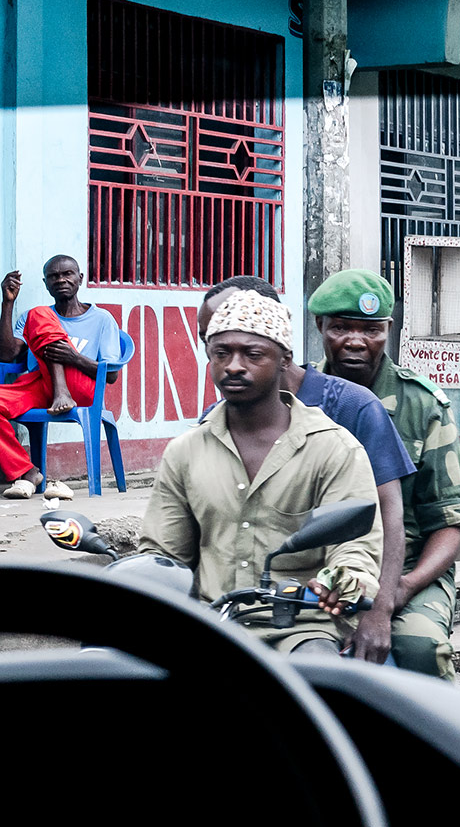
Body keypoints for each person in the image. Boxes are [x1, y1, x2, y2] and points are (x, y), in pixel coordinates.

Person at [131, 286, 382, 656]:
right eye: (221, 353)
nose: (234, 365)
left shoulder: (333, 448)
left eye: (252, 354)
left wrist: (342, 581)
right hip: (212, 625)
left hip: (301, 628)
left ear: (284, 360)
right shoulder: (185, 451)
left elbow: (355, 548)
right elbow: (163, 556)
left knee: (322, 686)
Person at [201, 275, 418, 666]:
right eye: (216, 346)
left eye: (247, 346)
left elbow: (386, 517)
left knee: (410, 659)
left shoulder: (352, 408)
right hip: (235, 609)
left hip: (325, 606)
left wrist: (378, 608)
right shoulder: (204, 433)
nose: (230, 364)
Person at [309, 269, 460, 681]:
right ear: (320, 327)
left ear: (388, 330)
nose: (355, 341)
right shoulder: (300, 398)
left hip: (410, 567)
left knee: (419, 646)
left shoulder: (422, 406)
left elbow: (450, 525)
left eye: (370, 330)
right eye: (341, 328)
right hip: (321, 564)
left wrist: (397, 592)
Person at [1, 255, 129, 498]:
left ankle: (62, 391)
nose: (60, 279)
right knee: (38, 314)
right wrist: (7, 303)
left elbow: (110, 374)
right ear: (45, 283)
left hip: (82, 388)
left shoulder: (101, 319)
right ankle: (27, 472)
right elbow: (8, 355)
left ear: (80, 279)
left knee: (38, 313)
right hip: (42, 385)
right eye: (53, 276)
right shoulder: (34, 317)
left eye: (67, 274)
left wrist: (74, 357)